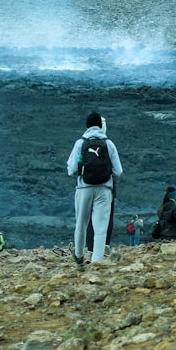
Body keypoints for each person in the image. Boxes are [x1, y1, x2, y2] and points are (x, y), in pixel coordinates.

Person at [67, 112, 123, 267]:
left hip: (84, 188)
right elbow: (118, 171)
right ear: (100, 125)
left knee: (81, 223)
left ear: (86, 126)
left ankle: (78, 255)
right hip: (104, 189)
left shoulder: (80, 143)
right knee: (100, 228)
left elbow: (71, 169)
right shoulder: (109, 144)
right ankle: (96, 262)